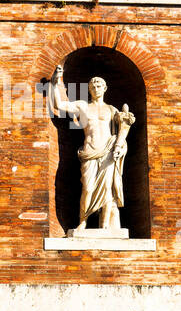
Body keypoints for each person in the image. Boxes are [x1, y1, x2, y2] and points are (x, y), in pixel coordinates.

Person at [50, 65, 135, 235]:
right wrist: (54, 83)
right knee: (87, 188)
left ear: (105, 88)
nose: (96, 89)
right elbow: (59, 105)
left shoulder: (112, 110)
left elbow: (122, 130)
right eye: (92, 86)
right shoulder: (83, 106)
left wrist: (120, 142)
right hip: (89, 152)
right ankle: (82, 222)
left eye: (99, 86)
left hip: (108, 152)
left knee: (107, 192)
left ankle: (104, 227)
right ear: (89, 89)